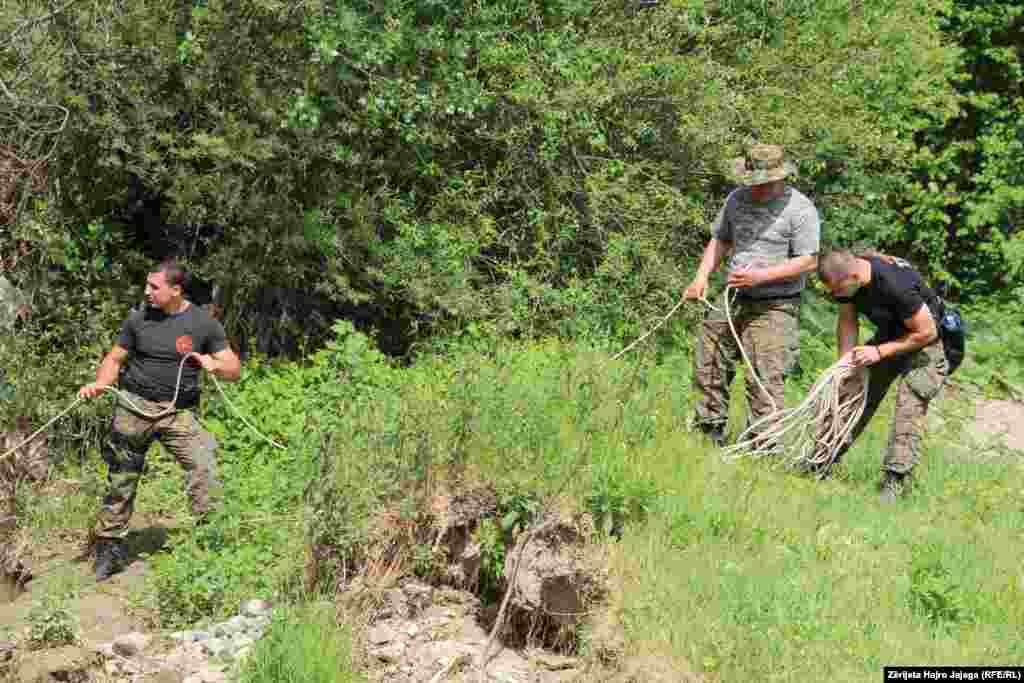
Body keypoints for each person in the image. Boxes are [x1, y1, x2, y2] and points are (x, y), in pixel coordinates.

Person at [78, 259, 241, 580]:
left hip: (177, 412)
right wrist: (101, 383)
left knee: (204, 464)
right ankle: (109, 548)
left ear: (176, 290)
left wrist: (213, 364)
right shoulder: (138, 320)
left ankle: (210, 540)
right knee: (121, 477)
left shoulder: (203, 324)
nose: (147, 291)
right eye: (147, 285)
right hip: (134, 406)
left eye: (154, 286)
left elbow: (233, 369)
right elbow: (114, 358)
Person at [683, 144, 821, 445]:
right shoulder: (736, 200)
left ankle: (761, 444)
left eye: (764, 184)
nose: (756, 189)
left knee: (765, 376)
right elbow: (720, 239)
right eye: (753, 182)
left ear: (780, 178)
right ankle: (709, 430)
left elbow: (808, 260)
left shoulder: (800, 209)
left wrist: (761, 276)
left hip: (777, 305)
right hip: (733, 297)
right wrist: (701, 277)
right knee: (710, 359)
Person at [817, 250, 947, 502]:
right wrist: (846, 365)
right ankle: (823, 459)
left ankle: (895, 480)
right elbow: (847, 321)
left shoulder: (894, 284)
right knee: (852, 393)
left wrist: (879, 351)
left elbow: (927, 332)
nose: (835, 296)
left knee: (909, 405)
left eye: (837, 290)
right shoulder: (847, 282)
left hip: (925, 343)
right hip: (891, 336)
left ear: (853, 277)